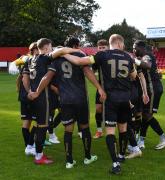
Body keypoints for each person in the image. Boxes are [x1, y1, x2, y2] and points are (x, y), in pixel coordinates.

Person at [58, 34, 137, 174]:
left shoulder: (102, 54)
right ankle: (121, 156)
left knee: (110, 131)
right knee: (123, 128)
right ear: (120, 44)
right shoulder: (128, 57)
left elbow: (79, 61)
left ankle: (115, 164)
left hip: (110, 98)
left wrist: (64, 54)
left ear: (111, 43)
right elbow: (133, 76)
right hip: (125, 98)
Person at [28, 36, 106, 168]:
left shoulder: (56, 58)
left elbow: (47, 77)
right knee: (84, 128)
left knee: (68, 130)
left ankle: (69, 161)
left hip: (64, 99)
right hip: (80, 99)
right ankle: (88, 157)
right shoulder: (79, 55)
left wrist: (37, 91)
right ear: (76, 45)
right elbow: (88, 72)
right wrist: (99, 88)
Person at [23, 38, 82, 165]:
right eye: (51, 47)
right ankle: (39, 157)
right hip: (42, 98)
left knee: (38, 125)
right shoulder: (44, 57)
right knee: (42, 127)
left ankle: (37, 151)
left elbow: (25, 78)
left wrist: (29, 92)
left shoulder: (31, 59)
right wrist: (76, 50)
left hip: (33, 98)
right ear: (45, 48)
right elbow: (61, 51)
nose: (52, 49)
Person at [133, 40, 165, 150]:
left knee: (147, 115)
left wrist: (134, 60)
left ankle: (164, 138)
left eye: (135, 48)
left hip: (152, 89)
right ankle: (141, 140)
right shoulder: (146, 56)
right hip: (153, 88)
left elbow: (148, 65)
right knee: (146, 114)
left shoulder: (147, 56)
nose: (134, 50)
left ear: (141, 47)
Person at [16, 42, 38, 155]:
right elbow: (24, 79)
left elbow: (20, 79)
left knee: (29, 121)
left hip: (27, 95)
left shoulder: (31, 61)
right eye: (37, 49)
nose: (39, 51)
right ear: (32, 50)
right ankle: (29, 146)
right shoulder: (30, 61)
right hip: (28, 97)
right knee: (35, 122)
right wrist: (29, 92)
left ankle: (29, 146)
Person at [92, 39, 109, 139]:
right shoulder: (97, 58)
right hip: (101, 88)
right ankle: (99, 131)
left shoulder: (111, 57)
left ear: (108, 47)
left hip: (112, 88)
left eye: (104, 47)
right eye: (100, 48)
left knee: (110, 110)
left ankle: (110, 130)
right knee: (98, 109)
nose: (102, 49)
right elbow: (91, 71)